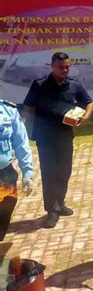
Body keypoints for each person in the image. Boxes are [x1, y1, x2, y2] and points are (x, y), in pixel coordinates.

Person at [23, 52, 93, 229]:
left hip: (65, 135)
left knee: (64, 172)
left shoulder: (74, 85)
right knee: (49, 174)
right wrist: (24, 131)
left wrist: (85, 118)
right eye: (61, 67)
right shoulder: (39, 85)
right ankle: (52, 211)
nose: (64, 70)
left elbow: (89, 102)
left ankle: (60, 203)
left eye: (67, 66)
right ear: (52, 66)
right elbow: (29, 108)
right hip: (45, 137)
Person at [0, 100, 34, 240]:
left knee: (6, 208)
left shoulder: (8, 110)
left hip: (5, 174)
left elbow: (21, 142)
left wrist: (27, 172)